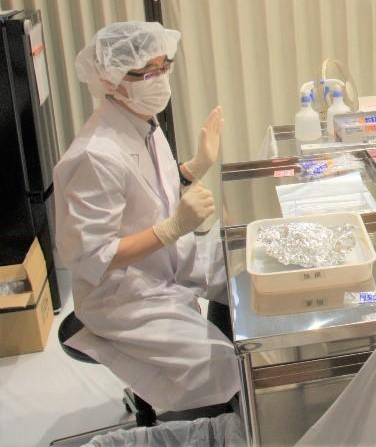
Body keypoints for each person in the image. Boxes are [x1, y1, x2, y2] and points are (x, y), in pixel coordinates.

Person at [54, 22, 240, 411]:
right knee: (222, 367)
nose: (160, 80)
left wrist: (193, 168)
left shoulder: (143, 123)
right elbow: (90, 255)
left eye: (164, 67)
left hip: (166, 261)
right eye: (146, 73)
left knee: (245, 261)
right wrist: (171, 229)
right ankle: (220, 422)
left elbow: (148, 193)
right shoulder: (93, 156)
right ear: (111, 80)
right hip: (122, 294)